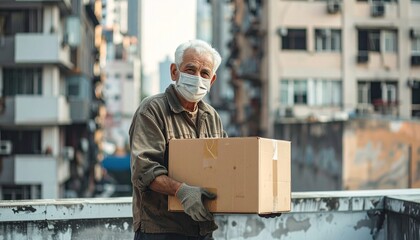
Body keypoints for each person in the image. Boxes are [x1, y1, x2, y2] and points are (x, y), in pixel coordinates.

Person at [129, 39, 226, 240]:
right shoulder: (152, 110)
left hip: (202, 230)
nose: (197, 78)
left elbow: (226, 167)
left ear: (212, 80)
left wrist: (256, 199)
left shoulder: (212, 116)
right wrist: (181, 191)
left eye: (204, 73)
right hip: (161, 231)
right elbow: (144, 170)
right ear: (174, 71)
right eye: (190, 70)